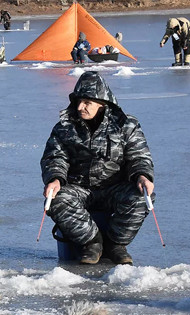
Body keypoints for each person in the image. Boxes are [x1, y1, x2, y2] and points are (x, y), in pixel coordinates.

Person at [40, 72, 155, 265]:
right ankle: (92, 243)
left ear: (101, 102)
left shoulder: (126, 125)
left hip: (114, 188)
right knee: (56, 199)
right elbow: (55, 157)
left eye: (86, 102)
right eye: (78, 101)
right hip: (79, 188)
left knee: (142, 197)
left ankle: (115, 244)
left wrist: (142, 176)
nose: (80, 107)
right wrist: (56, 178)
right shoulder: (64, 127)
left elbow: (139, 156)